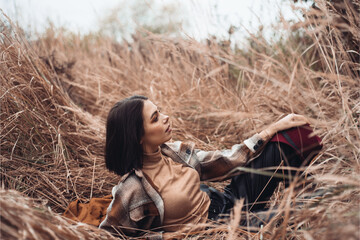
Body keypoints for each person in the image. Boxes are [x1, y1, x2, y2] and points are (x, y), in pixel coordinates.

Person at [99, 95, 320, 239]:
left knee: (291, 135)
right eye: (156, 118)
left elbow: (224, 161)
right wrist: (164, 237)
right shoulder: (132, 188)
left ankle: (300, 192)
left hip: (230, 201)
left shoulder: (172, 151)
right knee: (293, 217)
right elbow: (108, 235)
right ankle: (302, 209)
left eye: (160, 111)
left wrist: (271, 129)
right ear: (137, 136)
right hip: (218, 230)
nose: (166, 118)